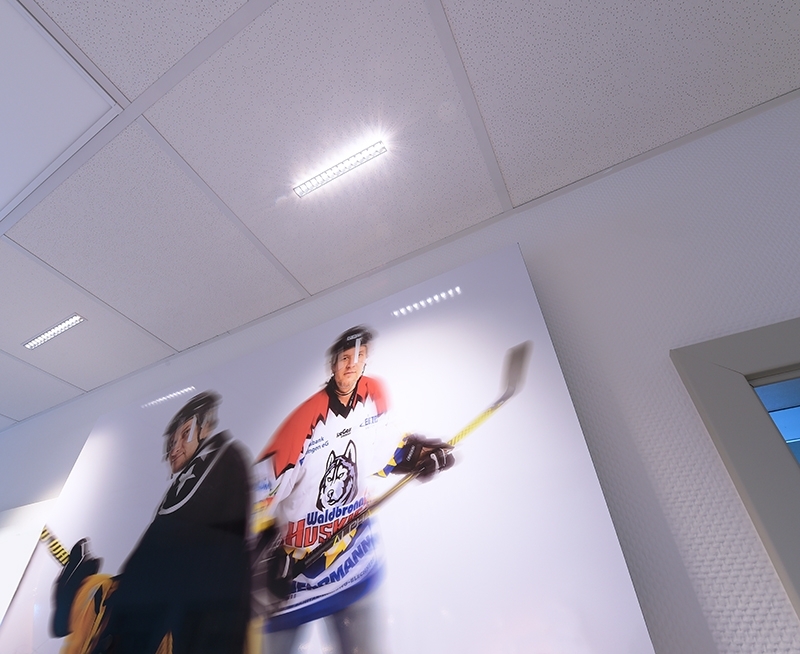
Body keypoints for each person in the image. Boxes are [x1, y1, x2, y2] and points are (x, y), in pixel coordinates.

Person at [252, 326, 453, 653]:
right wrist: (264, 553)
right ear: (333, 364)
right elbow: (260, 492)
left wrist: (419, 456)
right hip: (293, 581)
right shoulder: (303, 423)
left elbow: (385, 452)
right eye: (345, 358)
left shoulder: (375, 394)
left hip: (354, 563)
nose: (352, 365)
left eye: (359, 357)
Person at [51, 391, 252, 654]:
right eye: (171, 443)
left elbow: (165, 562)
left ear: (205, 428)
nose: (175, 449)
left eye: (185, 434)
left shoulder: (218, 461)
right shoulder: (200, 475)